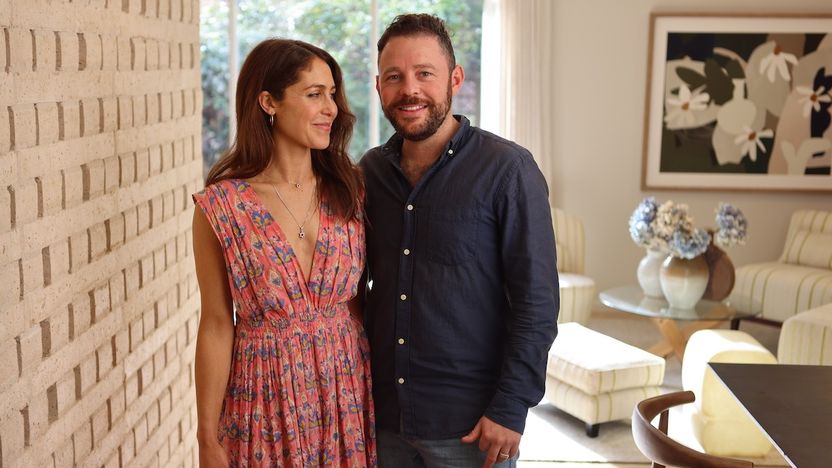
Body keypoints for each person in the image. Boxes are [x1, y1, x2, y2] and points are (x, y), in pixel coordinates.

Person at [359, 13, 559, 468]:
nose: (409, 89)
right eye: (395, 77)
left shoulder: (508, 170)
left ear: (455, 79)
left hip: (470, 428)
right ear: (378, 86)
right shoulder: (368, 174)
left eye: (424, 73)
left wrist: (511, 407)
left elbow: (537, 302)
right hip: (382, 419)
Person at [192, 38, 376, 467]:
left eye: (332, 94)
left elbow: (361, 306)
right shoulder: (223, 207)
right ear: (268, 102)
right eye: (314, 94)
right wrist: (206, 437)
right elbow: (217, 325)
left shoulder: (350, 189)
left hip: (344, 393)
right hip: (263, 399)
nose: (331, 107)